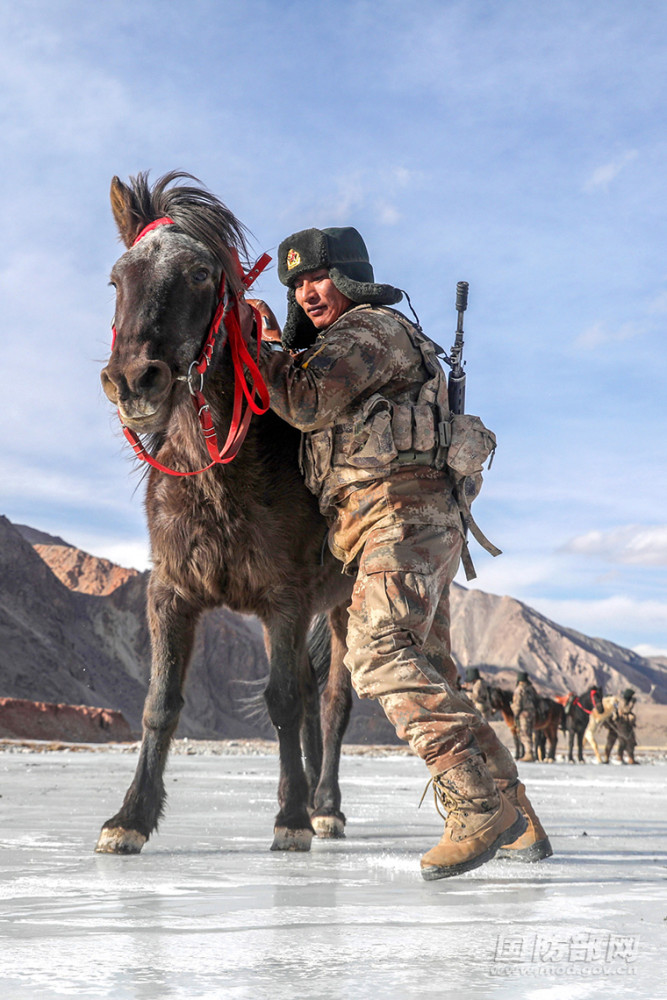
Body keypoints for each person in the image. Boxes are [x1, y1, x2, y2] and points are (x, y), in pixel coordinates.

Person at [257, 226, 551, 878]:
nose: (306, 291)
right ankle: (516, 815)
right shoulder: (362, 339)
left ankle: (474, 805)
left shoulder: (368, 332)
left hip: (400, 517)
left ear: (353, 276)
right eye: (296, 283)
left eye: (319, 275)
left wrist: (269, 346)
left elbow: (302, 402)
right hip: (401, 526)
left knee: (376, 651)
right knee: (436, 674)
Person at [604, 689, 638, 764]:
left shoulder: (622, 702)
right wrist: (632, 703)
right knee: (628, 741)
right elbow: (626, 710)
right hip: (621, 724)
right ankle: (627, 758)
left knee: (623, 742)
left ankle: (621, 757)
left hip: (622, 724)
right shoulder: (623, 702)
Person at [511, 672, 539, 762]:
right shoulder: (531, 688)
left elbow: (518, 704)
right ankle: (531, 753)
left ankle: (529, 754)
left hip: (524, 714)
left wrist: (515, 713)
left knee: (524, 734)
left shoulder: (519, 690)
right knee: (530, 733)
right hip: (532, 713)